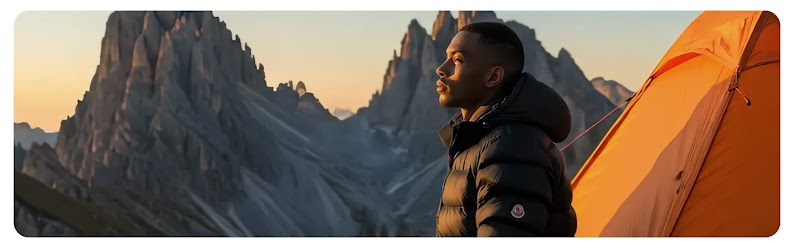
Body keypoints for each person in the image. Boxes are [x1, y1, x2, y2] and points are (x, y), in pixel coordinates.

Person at [434, 21, 577, 237]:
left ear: (493, 77)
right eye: (447, 58)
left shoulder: (512, 147)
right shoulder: (479, 140)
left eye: (457, 60)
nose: (442, 69)